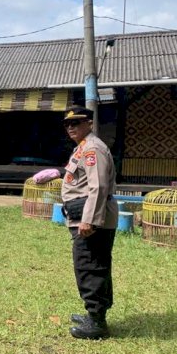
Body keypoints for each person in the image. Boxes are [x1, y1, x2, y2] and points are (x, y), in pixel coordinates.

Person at [60, 105, 118, 340]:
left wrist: (89, 220)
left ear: (89, 124)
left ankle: (96, 322)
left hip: (92, 220)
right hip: (84, 216)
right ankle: (95, 313)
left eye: (77, 123)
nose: (71, 127)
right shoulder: (83, 147)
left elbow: (99, 186)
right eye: (67, 124)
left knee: (90, 267)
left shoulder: (92, 148)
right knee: (94, 265)